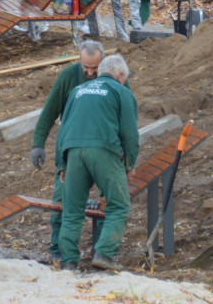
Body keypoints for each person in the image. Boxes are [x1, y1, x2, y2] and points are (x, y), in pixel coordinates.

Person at [55, 54, 140, 271]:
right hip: (105, 151)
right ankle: (104, 254)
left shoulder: (77, 91)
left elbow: (62, 129)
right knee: (119, 205)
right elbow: (130, 133)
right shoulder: (122, 92)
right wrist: (129, 165)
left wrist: (61, 164)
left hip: (73, 152)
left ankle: (68, 263)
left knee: (72, 209)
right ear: (120, 76)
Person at [30, 41, 110, 263]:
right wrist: (39, 143)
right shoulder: (68, 76)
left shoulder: (113, 76)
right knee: (62, 198)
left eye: (95, 68)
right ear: (79, 60)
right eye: (86, 67)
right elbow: (49, 111)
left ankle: (102, 250)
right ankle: (58, 249)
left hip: (103, 149)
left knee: (109, 198)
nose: (90, 73)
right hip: (71, 151)